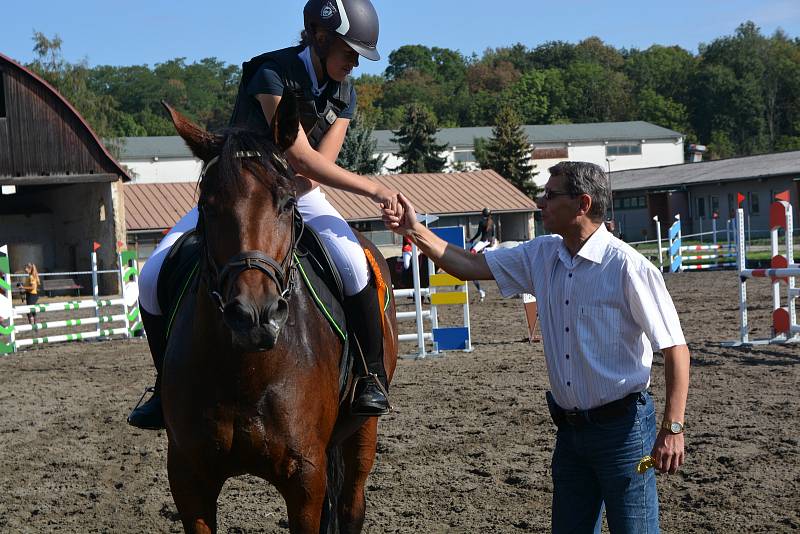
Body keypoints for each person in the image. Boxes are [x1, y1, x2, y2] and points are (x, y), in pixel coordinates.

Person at [128, 0, 399, 430]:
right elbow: (301, 155)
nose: (355, 64)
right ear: (320, 37)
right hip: (241, 189)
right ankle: (166, 387)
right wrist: (375, 188)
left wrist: (297, 193)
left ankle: (370, 377)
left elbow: (318, 167)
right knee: (151, 275)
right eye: (350, 53)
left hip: (296, 191)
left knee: (354, 265)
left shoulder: (344, 91)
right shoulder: (270, 72)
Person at [383, 161, 690, 533]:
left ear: (583, 203)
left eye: (550, 195)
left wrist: (673, 428)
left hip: (627, 436)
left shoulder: (628, 267)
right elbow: (466, 265)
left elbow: (675, 348)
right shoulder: (541, 254)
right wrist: (414, 229)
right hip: (571, 435)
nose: (540, 203)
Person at [468, 208, 495, 302]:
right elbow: (493, 234)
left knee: (472, 252)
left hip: (484, 242)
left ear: (482, 214)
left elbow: (479, 233)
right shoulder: (492, 222)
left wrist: (471, 240)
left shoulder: (481, 222)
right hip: (490, 242)